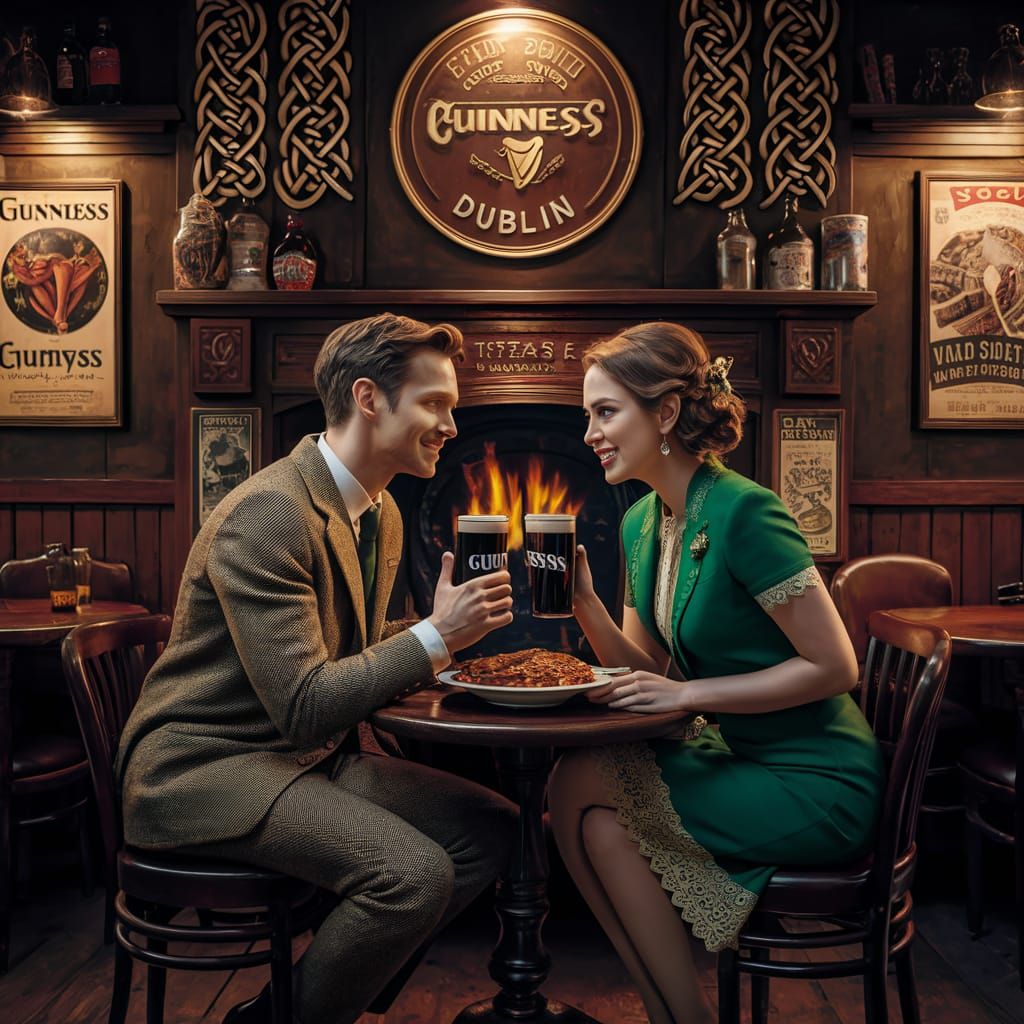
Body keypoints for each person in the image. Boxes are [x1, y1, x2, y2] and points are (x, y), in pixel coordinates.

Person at [116, 313, 517, 1024]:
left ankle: (301, 1004)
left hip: (304, 757)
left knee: (496, 830)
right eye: (435, 404)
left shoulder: (380, 511)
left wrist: (444, 637)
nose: (451, 426)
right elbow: (303, 702)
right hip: (208, 770)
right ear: (368, 398)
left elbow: (335, 649)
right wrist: (430, 637)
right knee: (413, 876)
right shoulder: (270, 514)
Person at [547, 322, 884, 1024]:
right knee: (591, 816)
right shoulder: (643, 523)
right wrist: (585, 608)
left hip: (815, 778)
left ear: (664, 413)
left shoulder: (746, 512)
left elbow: (835, 666)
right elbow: (649, 670)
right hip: (739, 757)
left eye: (605, 412)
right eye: (588, 415)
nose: (590, 434)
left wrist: (688, 694)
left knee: (578, 778)